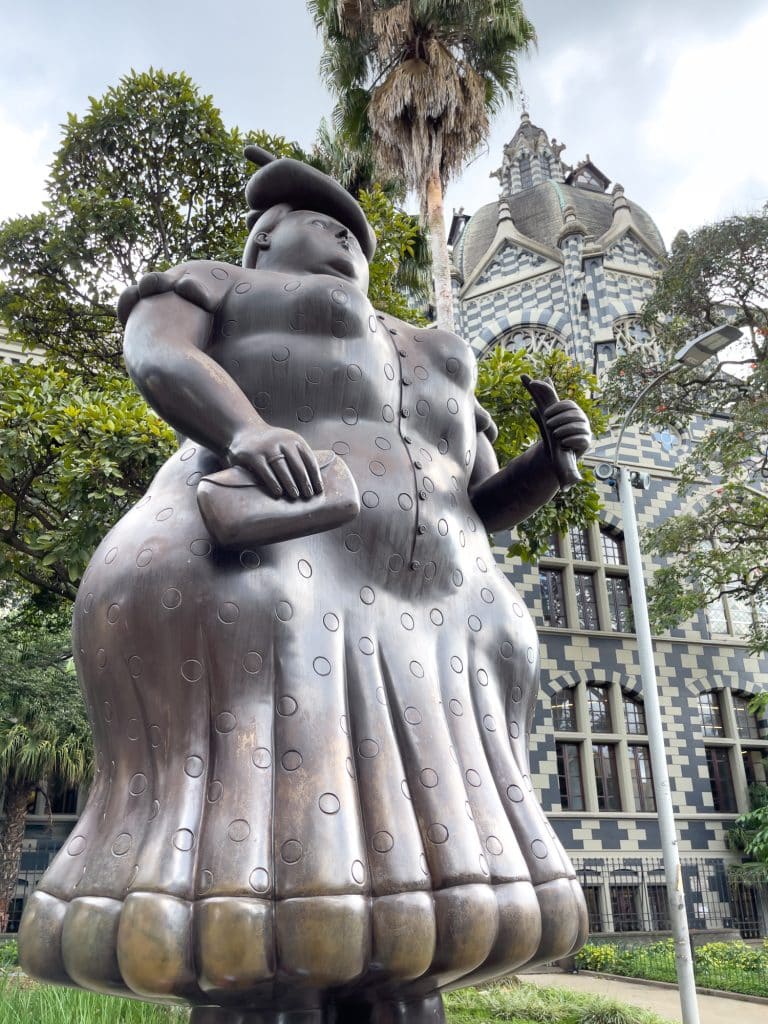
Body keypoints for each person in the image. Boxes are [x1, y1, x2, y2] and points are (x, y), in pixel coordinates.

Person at [19, 151, 591, 1024]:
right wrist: (246, 432)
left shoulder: (437, 353)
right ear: (258, 247)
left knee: (412, 914)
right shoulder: (214, 287)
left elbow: (479, 500)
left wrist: (547, 465)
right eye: (304, 221)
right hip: (273, 587)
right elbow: (155, 351)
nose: (334, 232)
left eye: (346, 226)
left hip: (430, 629)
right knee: (270, 901)